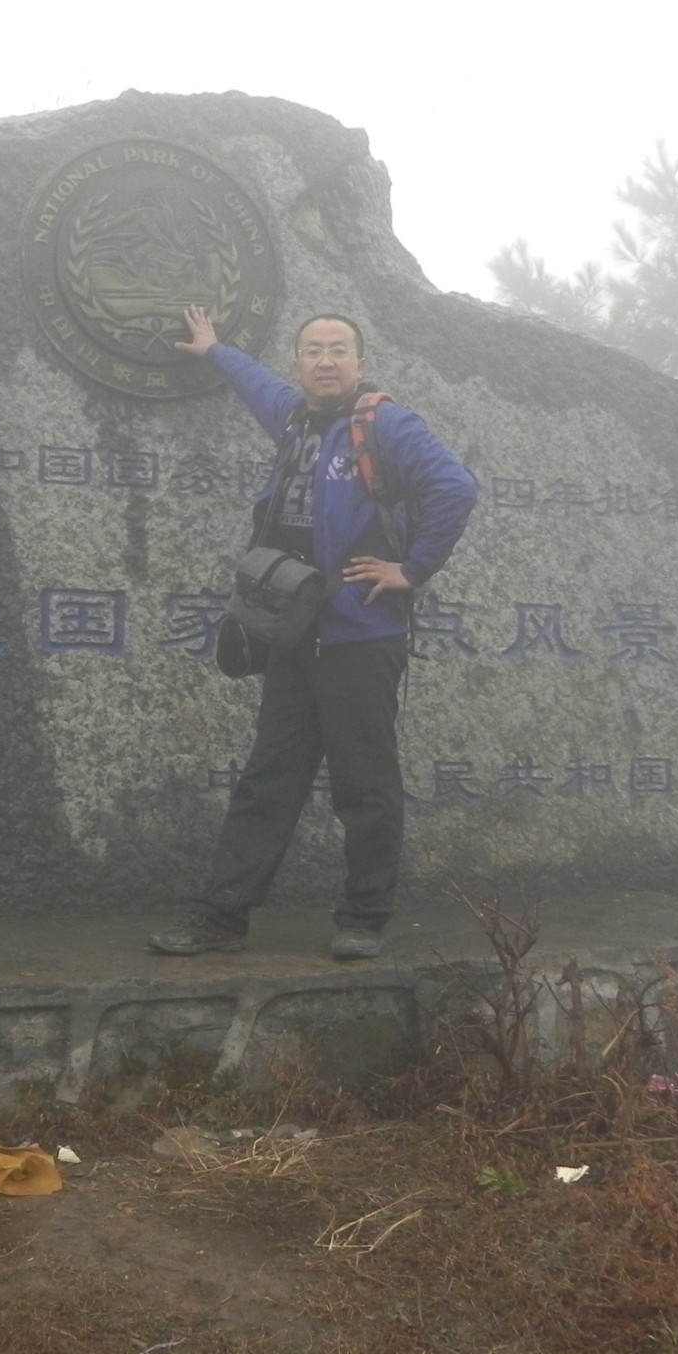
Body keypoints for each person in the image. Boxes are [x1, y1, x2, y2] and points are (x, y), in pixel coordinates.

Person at [149, 305, 477, 961]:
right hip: (294, 636)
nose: (324, 361)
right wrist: (216, 348)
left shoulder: (386, 424)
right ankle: (222, 915)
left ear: (359, 362)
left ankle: (364, 916)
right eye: (311, 350)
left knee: (365, 784)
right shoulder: (295, 419)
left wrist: (412, 570)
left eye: (337, 350)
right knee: (269, 778)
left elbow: (455, 488)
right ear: (298, 363)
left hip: (361, 637)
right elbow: (257, 387)